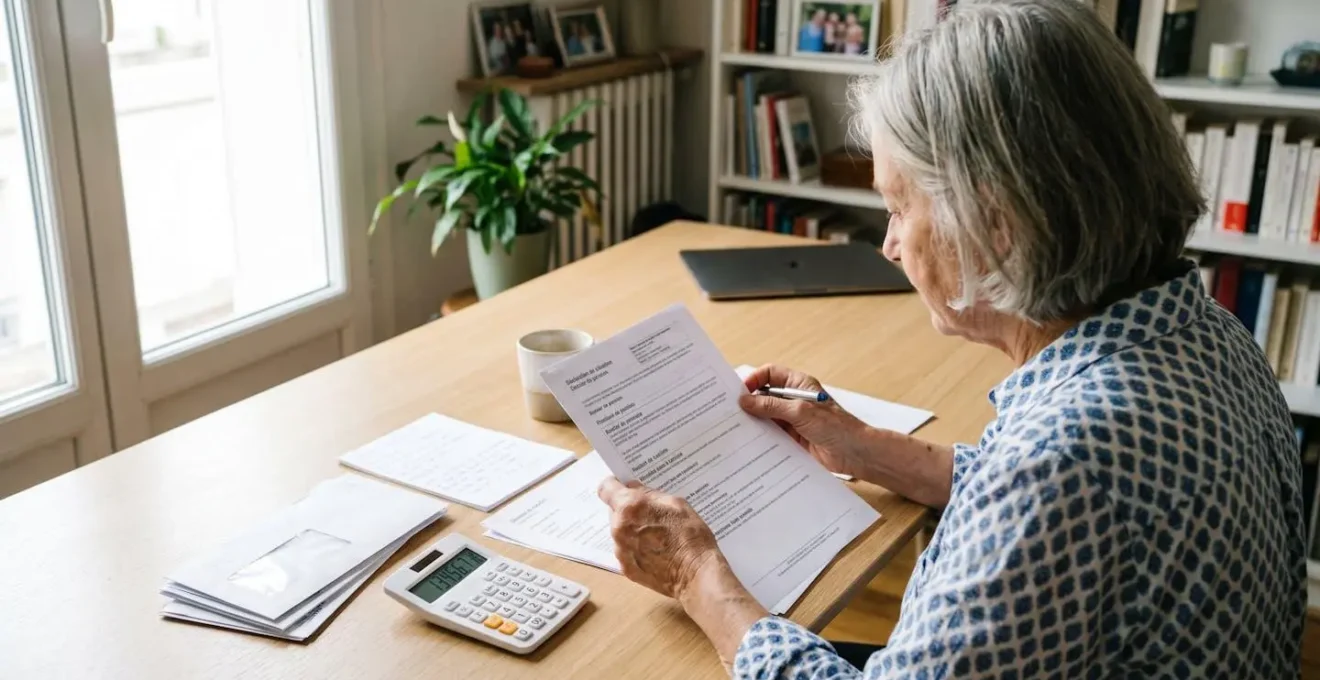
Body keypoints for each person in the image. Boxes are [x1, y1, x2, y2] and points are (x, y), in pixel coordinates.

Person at [596, 1, 1306, 677]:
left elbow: (1049, 489)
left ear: (998, 220)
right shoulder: (1199, 328)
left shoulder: (1059, 462)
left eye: (899, 206)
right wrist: (865, 446)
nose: (890, 245)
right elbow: (1065, 515)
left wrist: (696, 573)